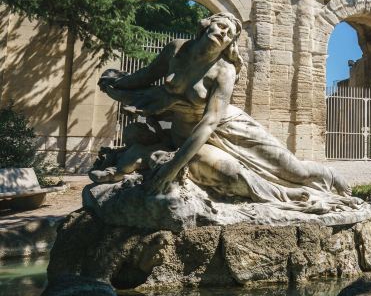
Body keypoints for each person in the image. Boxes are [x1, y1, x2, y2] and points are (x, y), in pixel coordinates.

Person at [99, 12, 356, 214]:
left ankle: (329, 176)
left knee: (294, 171)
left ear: (230, 44)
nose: (223, 33)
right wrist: (117, 83)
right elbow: (145, 76)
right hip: (188, 136)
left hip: (227, 127)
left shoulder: (224, 71)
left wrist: (173, 168)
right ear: (206, 25)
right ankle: (285, 196)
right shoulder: (177, 49)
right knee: (233, 177)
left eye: (229, 34)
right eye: (221, 26)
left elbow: (211, 120)